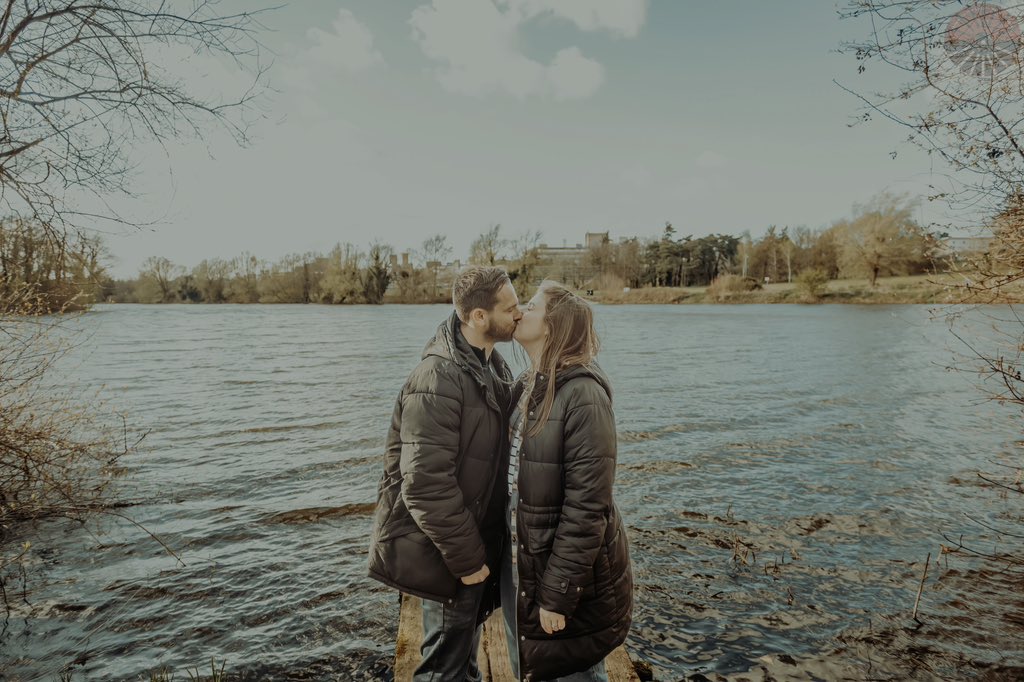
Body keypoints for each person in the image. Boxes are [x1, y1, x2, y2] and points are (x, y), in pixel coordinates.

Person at [368, 265, 522, 682]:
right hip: (450, 555)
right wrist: (470, 561)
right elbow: (423, 484)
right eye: (511, 308)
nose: (519, 314)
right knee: (443, 669)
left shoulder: (493, 366)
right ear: (478, 317)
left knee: (463, 659)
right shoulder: (437, 378)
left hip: (473, 545)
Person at [502, 281, 633, 682]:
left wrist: (557, 596)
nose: (521, 312)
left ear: (554, 327)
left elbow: (587, 508)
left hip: (565, 582)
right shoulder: (528, 384)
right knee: (531, 667)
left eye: (532, 306)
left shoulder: (583, 396)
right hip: (525, 566)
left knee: (573, 672)